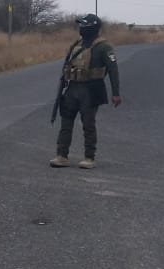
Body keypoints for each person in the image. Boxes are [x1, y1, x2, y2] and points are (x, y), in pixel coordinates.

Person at [51, 14, 121, 169]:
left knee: (88, 124)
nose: (81, 28)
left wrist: (116, 93)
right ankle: (61, 155)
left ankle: (89, 157)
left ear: (93, 27)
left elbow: (113, 70)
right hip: (72, 88)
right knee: (66, 122)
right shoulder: (77, 44)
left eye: (84, 25)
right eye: (80, 25)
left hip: (91, 89)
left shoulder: (104, 47)